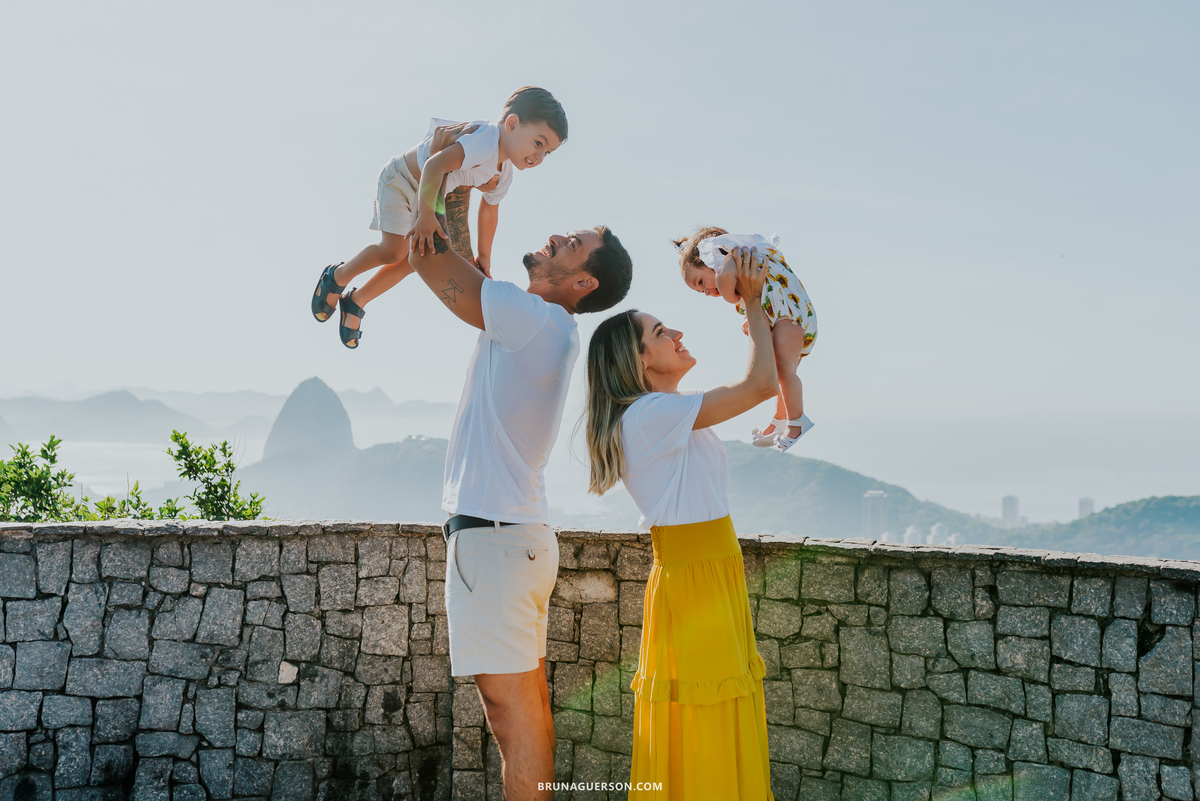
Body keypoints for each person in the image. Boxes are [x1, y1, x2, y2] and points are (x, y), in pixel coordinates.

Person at [408, 218, 633, 800]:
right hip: (517, 540)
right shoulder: (539, 324)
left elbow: (430, 256)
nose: (558, 236)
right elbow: (455, 246)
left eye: (574, 244)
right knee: (529, 712)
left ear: (583, 281)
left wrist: (437, 165)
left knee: (513, 720)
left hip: (495, 544)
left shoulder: (530, 319)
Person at [584, 247, 777, 799]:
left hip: (707, 574)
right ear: (640, 359)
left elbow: (763, 383)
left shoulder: (661, 414)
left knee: (713, 717)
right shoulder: (650, 416)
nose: (676, 334)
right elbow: (761, 384)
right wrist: (756, 301)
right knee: (706, 724)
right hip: (696, 579)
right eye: (662, 331)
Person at [310, 87, 568, 348]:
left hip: (429, 194)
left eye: (547, 152)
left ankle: (357, 300)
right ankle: (337, 276)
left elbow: (490, 210)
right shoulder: (485, 139)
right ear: (512, 124)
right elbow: (435, 164)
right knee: (393, 251)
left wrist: (484, 256)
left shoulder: (505, 173)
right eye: (538, 143)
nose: (539, 157)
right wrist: (426, 214)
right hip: (404, 181)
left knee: (417, 256)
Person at [674, 228, 817, 451]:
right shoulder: (744, 264)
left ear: (710, 258)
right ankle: (779, 420)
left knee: (785, 372)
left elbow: (725, 278)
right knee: (780, 374)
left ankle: (797, 422)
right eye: (700, 291)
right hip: (786, 318)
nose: (706, 293)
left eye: (701, 282)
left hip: (790, 319)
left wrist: (733, 299)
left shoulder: (732, 258)